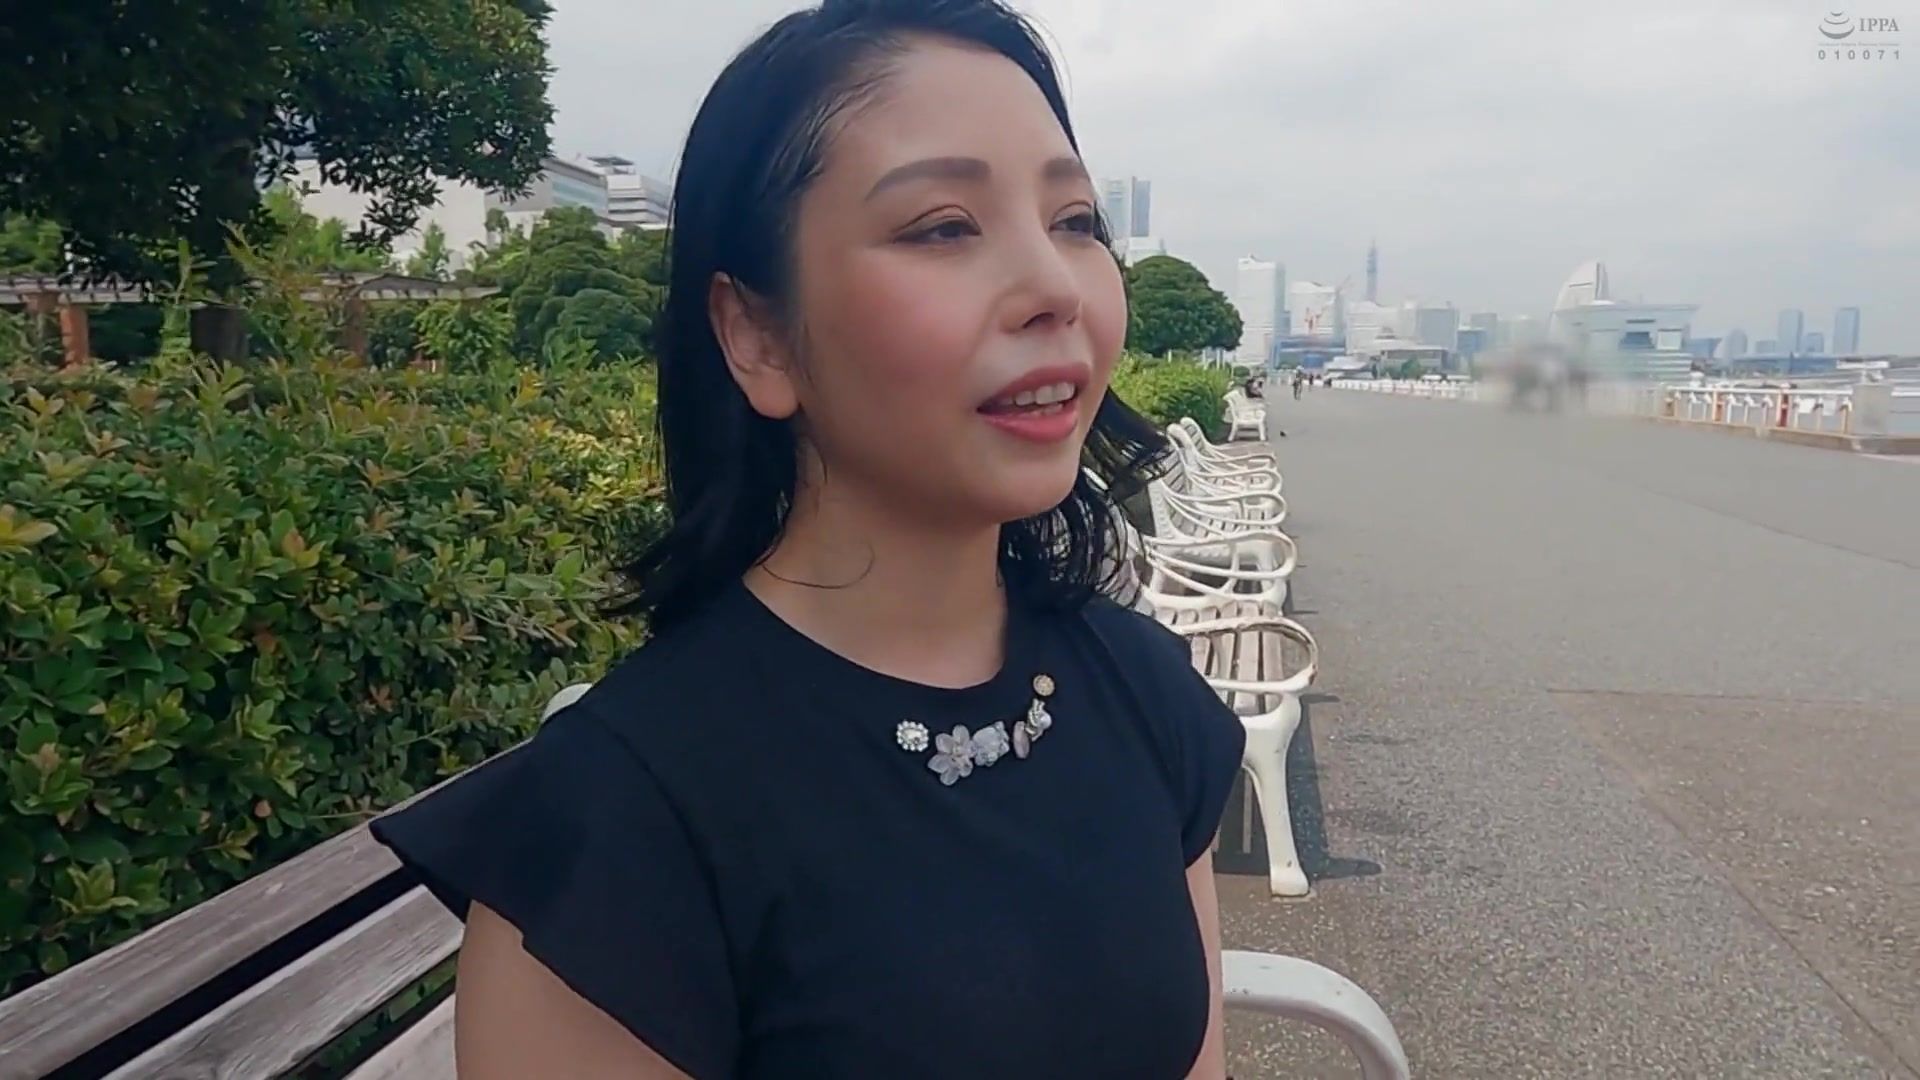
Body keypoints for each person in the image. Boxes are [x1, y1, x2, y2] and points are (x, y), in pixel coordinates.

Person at [370, 2, 1246, 1077]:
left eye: (1075, 220)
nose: (1057, 287)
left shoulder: (1145, 693)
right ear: (758, 334)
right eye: (944, 227)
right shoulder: (621, 827)